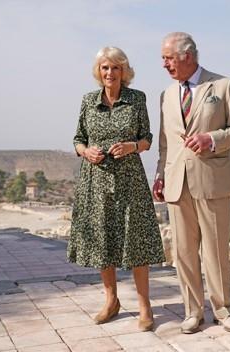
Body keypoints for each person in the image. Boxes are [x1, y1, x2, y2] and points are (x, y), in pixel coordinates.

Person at [153, 32, 230, 333]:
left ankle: (223, 310)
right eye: (163, 59)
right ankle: (192, 312)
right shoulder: (166, 95)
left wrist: (212, 139)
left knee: (216, 251)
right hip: (176, 183)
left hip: (213, 182)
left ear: (188, 56)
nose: (164, 64)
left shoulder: (222, 86)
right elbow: (166, 143)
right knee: (183, 252)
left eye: (168, 58)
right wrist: (159, 175)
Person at [68, 46, 165, 329]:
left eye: (115, 68)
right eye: (105, 68)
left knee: (135, 239)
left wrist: (131, 146)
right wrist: (85, 152)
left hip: (129, 181)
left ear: (124, 72)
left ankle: (145, 305)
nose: (110, 73)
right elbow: (78, 138)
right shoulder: (88, 101)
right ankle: (111, 300)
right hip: (95, 181)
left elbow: (147, 138)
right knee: (102, 239)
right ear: (99, 72)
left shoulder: (137, 99)